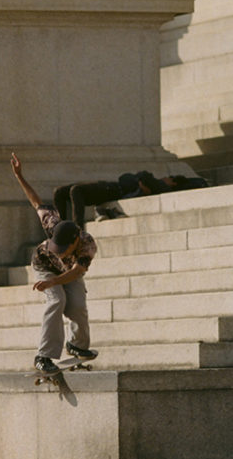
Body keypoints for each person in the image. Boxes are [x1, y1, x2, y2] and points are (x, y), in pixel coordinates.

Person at [11, 152, 98, 376]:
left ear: (75, 241)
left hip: (68, 273)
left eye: (63, 250)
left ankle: (77, 345)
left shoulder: (87, 246)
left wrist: (54, 282)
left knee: (77, 305)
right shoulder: (52, 223)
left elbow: (77, 272)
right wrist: (20, 175)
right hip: (43, 266)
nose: (59, 252)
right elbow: (35, 201)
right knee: (57, 300)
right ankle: (43, 356)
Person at [55, 170, 209, 228]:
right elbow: (127, 176)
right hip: (110, 187)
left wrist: (141, 180)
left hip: (111, 190)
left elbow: (142, 175)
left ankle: (76, 228)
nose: (164, 177)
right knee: (59, 192)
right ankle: (57, 228)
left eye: (168, 177)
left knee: (76, 190)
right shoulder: (152, 184)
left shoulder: (161, 186)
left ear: (173, 182)